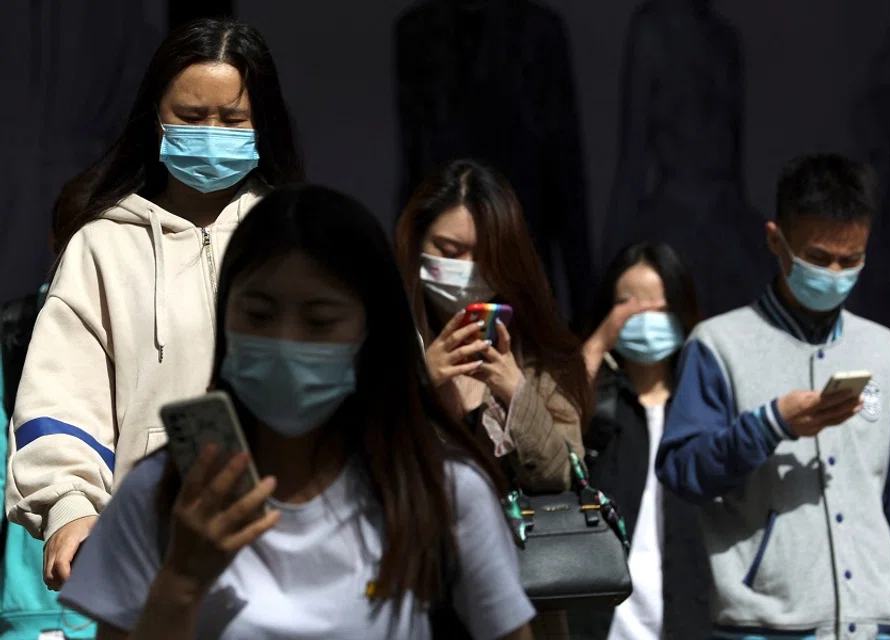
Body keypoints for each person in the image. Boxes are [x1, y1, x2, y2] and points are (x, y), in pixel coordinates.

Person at [57, 185, 536, 640]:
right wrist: (182, 578)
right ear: (225, 317)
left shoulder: (440, 491)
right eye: (259, 315)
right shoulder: (161, 493)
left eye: (320, 321)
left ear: (373, 332)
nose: (285, 341)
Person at [5, 17, 304, 592]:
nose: (211, 132)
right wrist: (69, 507)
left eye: (232, 118)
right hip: (152, 555)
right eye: (192, 117)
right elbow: (62, 395)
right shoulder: (101, 246)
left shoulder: (302, 236)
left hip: (293, 548)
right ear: (155, 119)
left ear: (263, 123)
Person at [656, 154, 890, 640]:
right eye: (818, 258)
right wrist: (771, 426)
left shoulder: (883, 350)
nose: (834, 273)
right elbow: (683, 473)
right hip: (767, 627)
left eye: (850, 259)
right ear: (776, 240)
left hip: (877, 626)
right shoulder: (718, 345)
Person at [396, 158, 591, 639]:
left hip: (518, 605)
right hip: (409, 595)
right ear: (417, 245)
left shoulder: (538, 355)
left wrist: (513, 390)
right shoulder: (385, 344)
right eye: (448, 250)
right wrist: (422, 381)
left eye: (482, 258)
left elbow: (562, 472)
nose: (464, 272)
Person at [566, 243, 711, 640]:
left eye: (658, 308)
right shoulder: (597, 399)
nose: (644, 319)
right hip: (600, 623)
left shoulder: (702, 404)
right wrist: (596, 344)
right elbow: (549, 423)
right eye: (628, 306)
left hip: (687, 618)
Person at [0, 179, 99, 639]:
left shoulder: (162, 333)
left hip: (145, 596)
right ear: (55, 242)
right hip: (36, 605)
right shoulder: (14, 333)